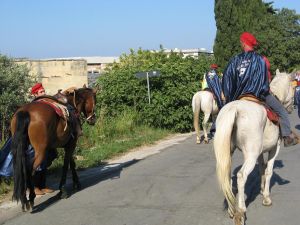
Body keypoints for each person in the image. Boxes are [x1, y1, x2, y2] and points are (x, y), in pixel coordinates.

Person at [222, 31, 298, 147]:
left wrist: (229, 95)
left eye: (241, 42)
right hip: (258, 94)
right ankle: (287, 137)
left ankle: (219, 129)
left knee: (225, 113)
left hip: (239, 95)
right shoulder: (261, 59)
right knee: (282, 111)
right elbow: (264, 79)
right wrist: (266, 90)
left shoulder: (235, 60)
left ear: (243, 43)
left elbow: (227, 78)